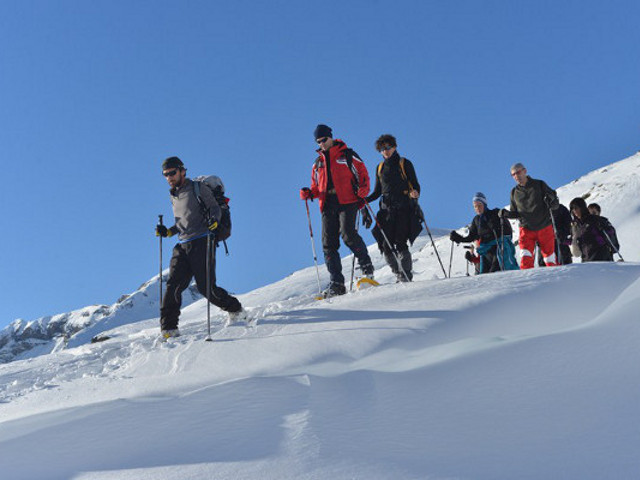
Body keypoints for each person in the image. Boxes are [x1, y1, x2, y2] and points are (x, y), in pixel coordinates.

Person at [155, 156, 244, 338]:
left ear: (182, 171)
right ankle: (169, 330)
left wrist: (213, 222)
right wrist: (168, 232)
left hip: (203, 241)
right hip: (183, 244)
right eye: (165, 175)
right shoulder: (174, 195)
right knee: (173, 286)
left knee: (206, 288)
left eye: (172, 172)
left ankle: (236, 309)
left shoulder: (198, 188)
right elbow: (182, 222)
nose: (169, 177)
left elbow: (214, 209)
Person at [300, 124, 374, 296]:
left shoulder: (347, 155)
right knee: (328, 243)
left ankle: (367, 269)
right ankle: (336, 283)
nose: (322, 144)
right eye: (318, 142)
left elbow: (363, 175)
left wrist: (363, 190)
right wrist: (309, 193)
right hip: (327, 204)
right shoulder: (317, 163)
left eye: (324, 140)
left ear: (331, 137)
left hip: (348, 200)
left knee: (348, 234)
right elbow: (316, 186)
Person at [364, 134, 422, 282]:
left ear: (394, 147)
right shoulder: (380, 168)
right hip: (386, 211)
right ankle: (398, 272)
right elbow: (378, 192)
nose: (385, 151)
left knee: (400, 241)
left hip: (403, 208)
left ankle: (405, 276)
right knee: (385, 244)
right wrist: (364, 200)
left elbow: (415, 184)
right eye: (382, 149)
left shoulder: (404, 163)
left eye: (388, 148)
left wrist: (415, 193)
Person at [499, 163, 559, 269]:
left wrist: (552, 200)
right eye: (513, 175)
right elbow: (515, 213)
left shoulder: (539, 184)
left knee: (550, 260)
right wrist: (506, 214)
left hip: (544, 226)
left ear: (525, 171)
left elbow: (555, 204)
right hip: (526, 229)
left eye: (518, 172)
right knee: (525, 259)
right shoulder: (514, 192)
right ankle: (527, 284)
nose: (516, 176)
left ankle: (558, 283)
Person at [451, 192, 519, 273]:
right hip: (485, 253)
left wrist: (508, 214)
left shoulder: (495, 213)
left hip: (498, 250)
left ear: (485, 204)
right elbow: (471, 237)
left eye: (479, 205)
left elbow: (507, 222)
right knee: (484, 276)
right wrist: (459, 238)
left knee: (494, 273)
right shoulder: (476, 220)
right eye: (475, 206)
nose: (477, 208)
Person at [569, 197, 619, 262]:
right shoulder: (576, 225)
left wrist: (601, 239)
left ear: (582, 207)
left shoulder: (595, 220)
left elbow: (610, 233)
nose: (574, 211)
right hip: (586, 261)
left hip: (603, 259)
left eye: (576, 208)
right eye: (572, 209)